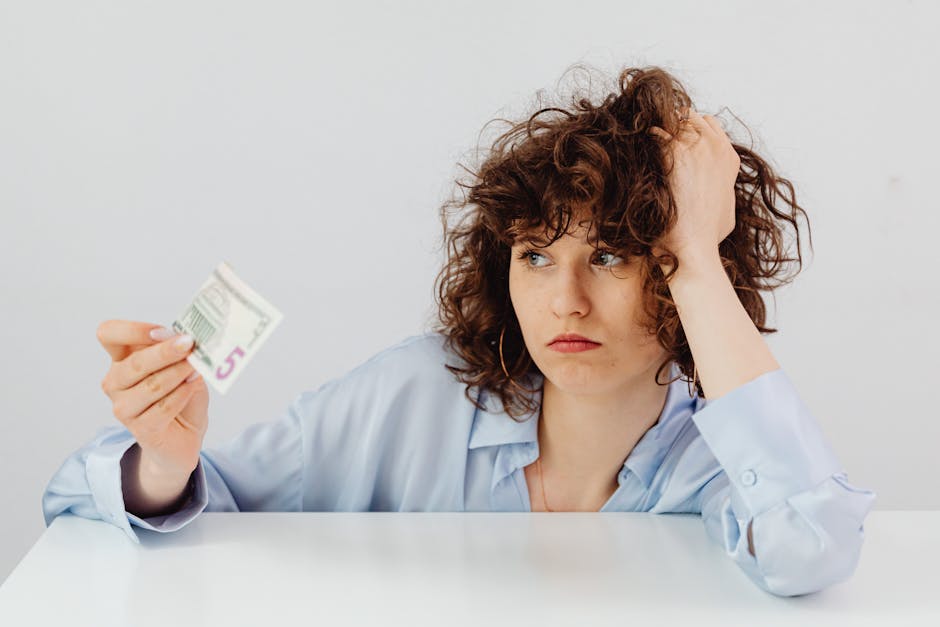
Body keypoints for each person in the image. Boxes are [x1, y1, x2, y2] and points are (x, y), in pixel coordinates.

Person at [42, 65, 876, 598]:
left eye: (615, 257)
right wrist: (163, 460)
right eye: (537, 257)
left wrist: (695, 248)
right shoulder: (413, 396)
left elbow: (812, 545)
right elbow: (90, 503)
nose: (566, 303)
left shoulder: (718, 461)